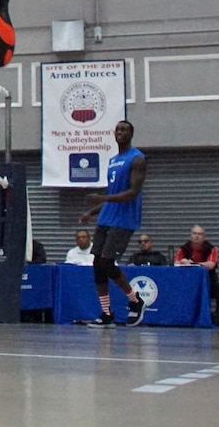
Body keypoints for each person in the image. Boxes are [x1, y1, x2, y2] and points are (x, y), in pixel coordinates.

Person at [78, 120, 147, 326]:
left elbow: (131, 193)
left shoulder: (137, 159)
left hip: (124, 220)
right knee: (97, 264)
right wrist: (92, 211)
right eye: (117, 129)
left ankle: (135, 301)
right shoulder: (113, 160)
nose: (120, 132)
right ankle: (106, 314)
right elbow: (112, 194)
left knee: (107, 262)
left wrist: (102, 199)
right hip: (106, 218)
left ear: (131, 133)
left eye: (124, 129)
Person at [174, 226, 219, 327]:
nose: (197, 236)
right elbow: (176, 263)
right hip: (189, 285)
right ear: (190, 236)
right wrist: (183, 261)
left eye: (199, 234)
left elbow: (211, 264)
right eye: (194, 233)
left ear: (204, 237)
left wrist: (194, 263)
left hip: (208, 283)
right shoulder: (183, 249)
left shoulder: (212, 249)